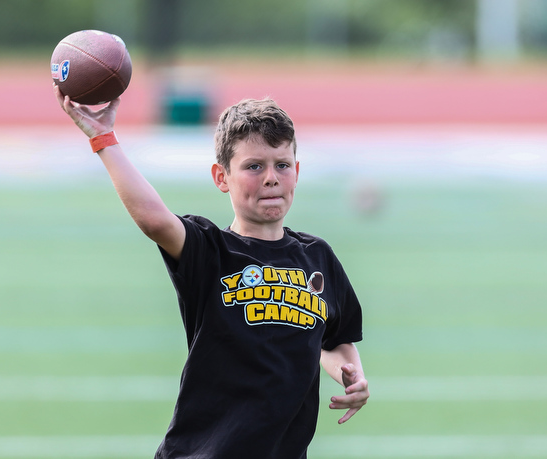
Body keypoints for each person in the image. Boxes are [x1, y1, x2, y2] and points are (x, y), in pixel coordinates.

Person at [54, 84, 369, 459]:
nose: (271, 177)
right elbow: (155, 220)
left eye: (281, 165)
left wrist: (352, 375)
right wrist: (104, 138)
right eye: (254, 166)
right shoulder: (210, 250)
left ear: (296, 172)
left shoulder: (318, 257)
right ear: (222, 177)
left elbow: (333, 340)